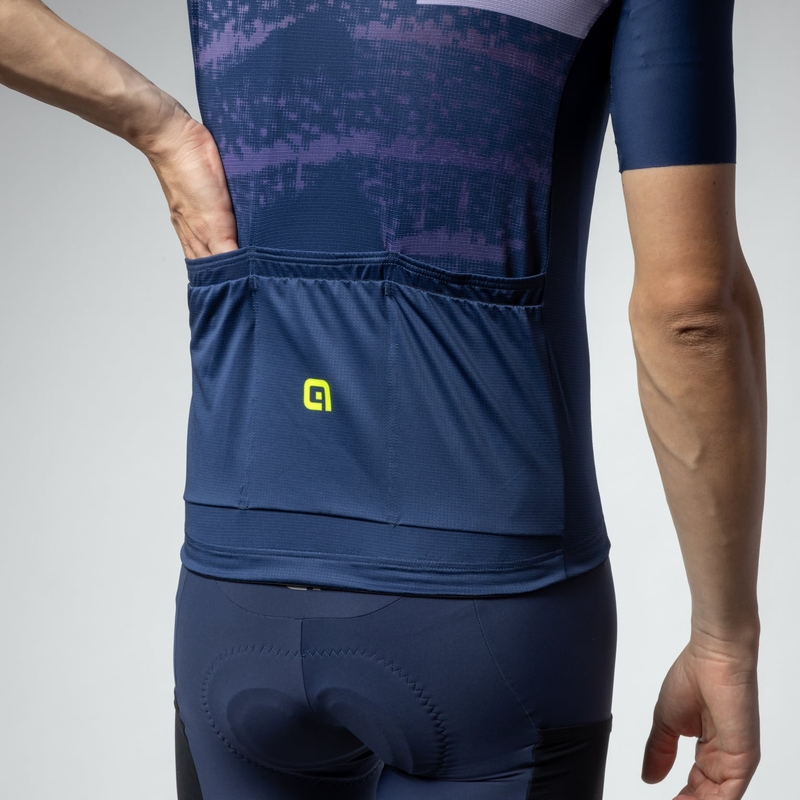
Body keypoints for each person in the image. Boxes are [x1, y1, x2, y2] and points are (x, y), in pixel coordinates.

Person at [0, 1, 764, 798]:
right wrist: (725, 638)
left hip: (234, 593)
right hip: (494, 606)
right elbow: (693, 314)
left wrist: (157, 128)